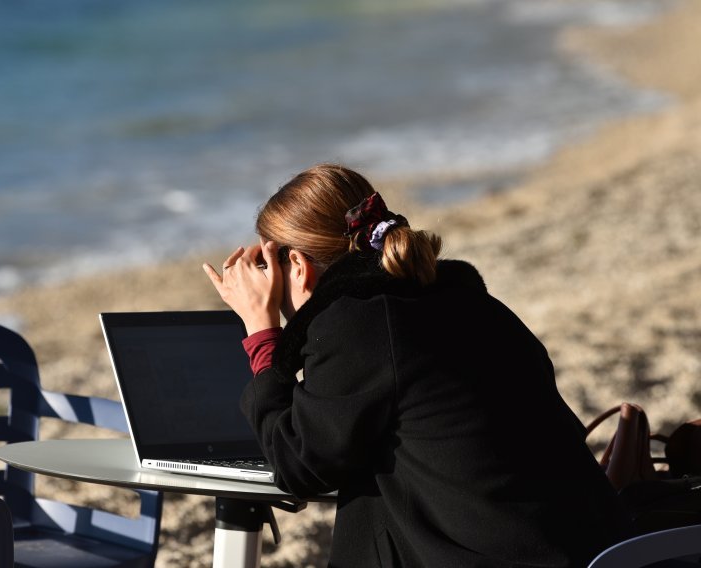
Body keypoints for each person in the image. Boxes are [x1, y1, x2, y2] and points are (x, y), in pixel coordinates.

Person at [202, 164, 627, 567]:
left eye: (269, 265)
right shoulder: (470, 302)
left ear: (296, 265)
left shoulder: (359, 324)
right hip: (587, 548)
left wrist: (261, 332)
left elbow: (300, 466)